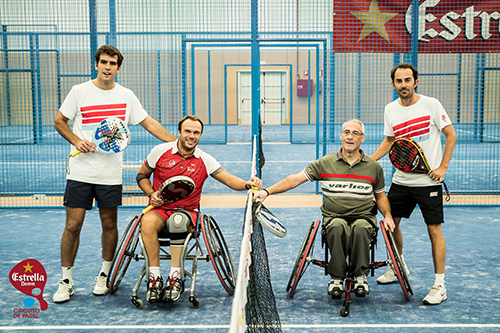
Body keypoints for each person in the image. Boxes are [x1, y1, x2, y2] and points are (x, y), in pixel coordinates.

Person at [52, 45, 177, 303]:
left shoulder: (126, 96)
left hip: (110, 175)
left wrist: (175, 144)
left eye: (113, 63)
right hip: (80, 172)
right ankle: (66, 280)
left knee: (109, 224)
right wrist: (76, 140)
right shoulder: (79, 92)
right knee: (72, 225)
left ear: (118, 68)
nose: (108, 67)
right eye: (104, 62)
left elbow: (148, 122)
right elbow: (59, 121)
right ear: (96, 64)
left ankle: (104, 275)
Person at [250, 119, 394, 299]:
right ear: (341, 136)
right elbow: (295, 179)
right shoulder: (325, 163)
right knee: (337, 226)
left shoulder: (374, 167)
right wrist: (266, 191)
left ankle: (359, 276)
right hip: (334, 216)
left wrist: (387, 215)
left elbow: (380, 195)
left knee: (361, 228)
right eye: (346, 132)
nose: (350, 137)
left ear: (362, 138)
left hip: (364, 216)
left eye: (355, 133)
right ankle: (336, 278)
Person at [136, 115, 262, 303]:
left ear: (200, 135)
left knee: (177, 222)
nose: (191, 136)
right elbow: (141, 175)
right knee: (146, 222)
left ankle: (175, 277)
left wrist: (247, 184)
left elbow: (228, 180)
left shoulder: (204, 159)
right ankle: (154, 278)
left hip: (186, 211)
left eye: (196, 132)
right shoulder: (160, 151)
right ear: (179, 132)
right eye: (187, 131)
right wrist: (151, 193)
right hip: (159, 208)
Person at [371, 63, 457, 305]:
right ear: (393, 84)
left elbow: (451, 135)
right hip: (401, 181)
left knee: (433, 231)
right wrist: (366, 160)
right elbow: (390, 141)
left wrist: (442, 168)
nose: (403, 85)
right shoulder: (390, 109)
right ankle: (399, 266)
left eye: (408, 80)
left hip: (428, 182)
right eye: (399, 81)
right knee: (391, 225)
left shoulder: (431, 104)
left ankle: (439, 285)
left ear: (415, 82)